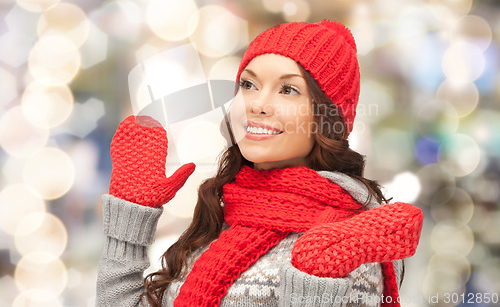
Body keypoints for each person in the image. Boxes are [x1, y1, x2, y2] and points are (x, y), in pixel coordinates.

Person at [96, 20, 423, 307]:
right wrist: (129, 220)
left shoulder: (350, 243)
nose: (258, 104)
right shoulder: (219, 220)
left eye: (288, 89)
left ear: (326, 116)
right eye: (248, 84)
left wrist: (316, 287)